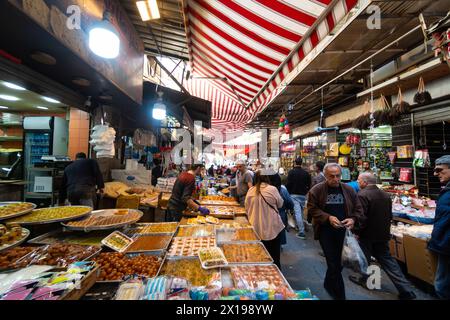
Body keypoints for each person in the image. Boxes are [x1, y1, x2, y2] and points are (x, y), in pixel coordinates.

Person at [349, 173, 416, 300]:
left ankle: (367, 281)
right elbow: (389, 216)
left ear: (364, 181)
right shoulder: (385, 195)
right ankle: (406, 290)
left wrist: (356, 231)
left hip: (367, 234)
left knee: (364, 259)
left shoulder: (362, 195)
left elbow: (361, 217)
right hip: (382, 233)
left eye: (358, 181)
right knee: (388, 261)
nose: (358, 183)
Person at [307, 163, 363, 300]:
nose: (336, 179)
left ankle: (328, 283)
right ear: (325, 176)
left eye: (338, 175)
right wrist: (328, 217)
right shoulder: (317, 190)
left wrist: (353, 219)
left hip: (344, 234)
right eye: (332, 176)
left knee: (338, 263)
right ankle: (340, 295)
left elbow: (358, 208)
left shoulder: (349, 190)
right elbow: (312, 209)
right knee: (333, 262)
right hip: (325, 232)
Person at [245, 170, 284, 268]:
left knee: (258, 256)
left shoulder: (251, 190)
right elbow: (280, 204)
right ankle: (275, 279)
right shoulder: (272, 189)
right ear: (267, 178)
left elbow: (246, 208)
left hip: (256, 228)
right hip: (272, 228)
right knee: (274, 258)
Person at [428, 155, 450, 299]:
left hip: (447, 244)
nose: (435, 174)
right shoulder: (446, 190)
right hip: (444, 243)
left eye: (440, 170)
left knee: (442, 286)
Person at [286, 157, 311, 239]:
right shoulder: (306, 173)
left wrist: (288, 192)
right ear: (301, 163)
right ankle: (299, 226)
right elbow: (309, 184)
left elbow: (288, 184)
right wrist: (306, 191)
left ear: (295, 163)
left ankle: (301, 231)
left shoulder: (291, 172)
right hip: (303, 195)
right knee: (300, 212)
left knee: (298, 213)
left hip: (293, 195)